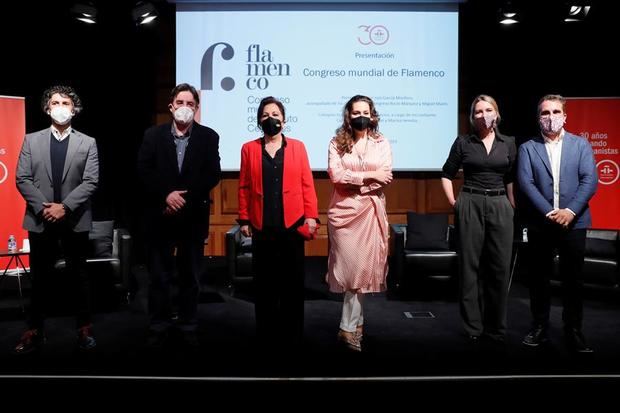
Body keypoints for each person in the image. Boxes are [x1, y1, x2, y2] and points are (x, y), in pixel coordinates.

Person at [14, 85, 99, 354]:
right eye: (55, 102)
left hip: (74, 219)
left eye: (65, 102)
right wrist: (44, 208)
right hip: (41, 219)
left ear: (74, 109)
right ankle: (34, 330)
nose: (60, 106)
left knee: (80, 277)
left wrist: (65, 207)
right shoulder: (31, 140)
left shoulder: (88, 142)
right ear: (47, 108)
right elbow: (22, 178)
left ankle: (84, 328)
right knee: (40, 279)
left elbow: (91, 181)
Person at [137, 83, 221, 348]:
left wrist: (183, 197)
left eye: (190, 104)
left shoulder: (209, 137)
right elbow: (143, 170)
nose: (185, 108)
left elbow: (212, 174)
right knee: (159, 277)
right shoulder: (153, 135)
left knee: (190, 277)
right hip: (160, 216)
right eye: (180, 102)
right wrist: (166, 195)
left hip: (192, 217)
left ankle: (188, 323)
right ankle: (158, 324)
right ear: (171, 106)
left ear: (196, 109)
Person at [517, 94, 598, 353]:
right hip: (542, 224)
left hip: (574, 223)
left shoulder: (581, 145)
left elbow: (589, 180)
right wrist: (550, 213)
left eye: (555, 112)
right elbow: (525, 184)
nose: (550, 117)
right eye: (544, 113)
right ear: (538, 118)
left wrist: (570, 211)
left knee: (573, 281)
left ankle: (573, 330)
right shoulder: (528, 147)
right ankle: (539, 327)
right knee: (539, 280)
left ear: (565, 116)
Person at [238, 96, 319, 353]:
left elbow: (307, 183)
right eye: (264, 115)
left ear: (283, 119)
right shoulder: (249, 149)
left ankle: (293, 337)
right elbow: (244, 187)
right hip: (263, 227)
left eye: (274, 114)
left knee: (292, 286)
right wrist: (244, 218)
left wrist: (311, 216)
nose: (270, 118)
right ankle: (266, 337)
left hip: (292, 226)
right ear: (259, 121)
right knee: (264, 286)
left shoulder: (297, 147)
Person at [441, 94, 516, 345]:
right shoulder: (464, 142)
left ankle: (496, 328)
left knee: (499, 268)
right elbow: (446, 173)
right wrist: (454, 202)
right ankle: (473, 326)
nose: (483, 115)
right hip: (470, 201)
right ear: (472, 117)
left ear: (497, 112)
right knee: (469, 267)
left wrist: (511, 205)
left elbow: (511, 178)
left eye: (488, 110)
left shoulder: (509, 142)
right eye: (478, 112)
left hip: (499, 204)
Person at [326, 95, 393, 352]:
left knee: (363, 273)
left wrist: (360, 181)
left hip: (370, 212)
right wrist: (369, 176)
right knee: (351, 271)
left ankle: (354, 326)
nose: (361, 116)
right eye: (356, 112)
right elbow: (336, 175)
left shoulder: (381, 142)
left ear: (372, 115)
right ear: (348, 116)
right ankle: (347, 328)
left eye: (365, 111)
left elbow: (385, 176)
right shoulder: (337, 143)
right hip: (344, 214)